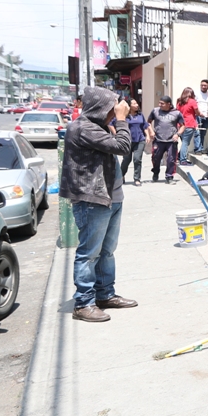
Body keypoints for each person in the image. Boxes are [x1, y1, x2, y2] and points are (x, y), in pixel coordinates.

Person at [60, 87, 137, 322]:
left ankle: (105, 294)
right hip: (92, 199)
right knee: (89, 253)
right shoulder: (82, 127)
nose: (114, 114)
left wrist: (115, 123)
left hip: (111, 197)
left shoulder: (98, 127)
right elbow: (124, 148)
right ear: (99, 108)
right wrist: (122, 120)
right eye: (111, 110)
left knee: (107, 251)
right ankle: (83, 303)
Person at [147, 95, 184, 184]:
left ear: (169, 104)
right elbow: (148, 122)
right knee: (155, 158)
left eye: (162, 103)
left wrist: (177, 134)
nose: (160, 105)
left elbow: (183, 126)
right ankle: (155, 172)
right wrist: (151, 131)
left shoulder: (177, 113)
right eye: (159, 103)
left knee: (171, 159)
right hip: (158, 140)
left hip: (171, 141)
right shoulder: (155, 111)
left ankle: (169, 176)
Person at [117, 99, 147, 187]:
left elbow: (145, 126)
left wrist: (148, 135)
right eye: (134, 103)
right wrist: (116, 134)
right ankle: (121, 176)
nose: (137, 105)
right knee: (126, 160)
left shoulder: (140, 115)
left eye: (136, 103)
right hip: (128, 141)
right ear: (129, 106)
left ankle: (137, 178)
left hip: (140, 140)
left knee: (137, 159)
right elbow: (112, 124)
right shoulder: (124, 116)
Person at [176, 87, 199, 164]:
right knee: (185, 142)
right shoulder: (192, 101)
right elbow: (197, 112)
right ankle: (183, 160)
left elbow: (177, 112)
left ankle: (179, 156)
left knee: (184, 142)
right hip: (189, 124)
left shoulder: (179, 102)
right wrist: (202, 114)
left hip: (181, 124)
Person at [193, 78, 208, 154]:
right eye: (202, 85)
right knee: (197, 132)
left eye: (205, 85)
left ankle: (201, 147)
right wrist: (198, 113)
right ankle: (197, 149)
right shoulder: (196, 93)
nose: (203, 87)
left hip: (206, 116)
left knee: (203, 132)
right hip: (198, 115)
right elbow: (194, 104)